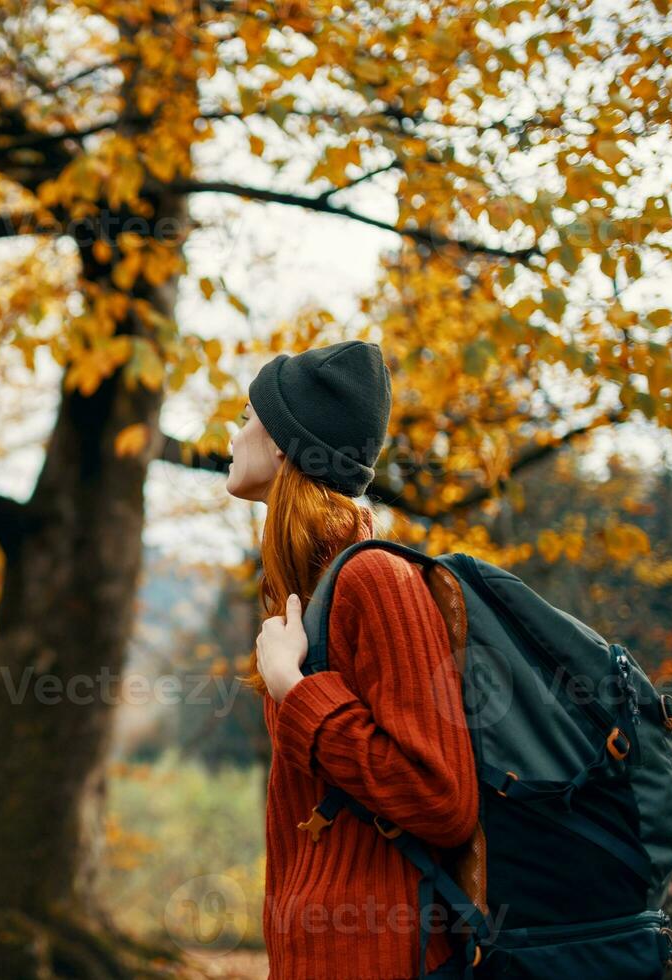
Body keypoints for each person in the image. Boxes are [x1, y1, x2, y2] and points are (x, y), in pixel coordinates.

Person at [226, 340, 479, 979]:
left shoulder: (378, 580)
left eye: (247, 414)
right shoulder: (305, 596)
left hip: (384, 958)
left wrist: (293, 687)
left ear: (285, 443)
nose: (234, 431)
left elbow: (442, 797)